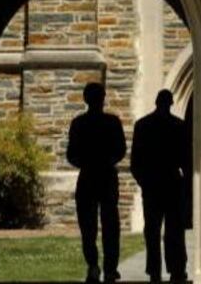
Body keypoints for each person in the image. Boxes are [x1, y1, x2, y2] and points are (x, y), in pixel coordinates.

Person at [67, 82, 127, 283]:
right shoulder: (112, 122)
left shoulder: (79, 124)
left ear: (85, 99)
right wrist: (106, 161)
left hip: (88, 177)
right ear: (103, 98)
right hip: (106, 177)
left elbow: (71, 154)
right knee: (110, 226)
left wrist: (87, 163)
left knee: (88, 226)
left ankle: (93, 265)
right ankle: (109, 268)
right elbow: (121, 150)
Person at [131, 90, 188, 284]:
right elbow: (186, 160)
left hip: (154, 184)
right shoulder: (178, 126)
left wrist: (144, 181)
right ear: (170, 103)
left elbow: (135, 162)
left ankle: (155, 271)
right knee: (173, 231)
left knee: (153, 231)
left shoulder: (142, 125)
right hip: (170, 183)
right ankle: (176, 270)